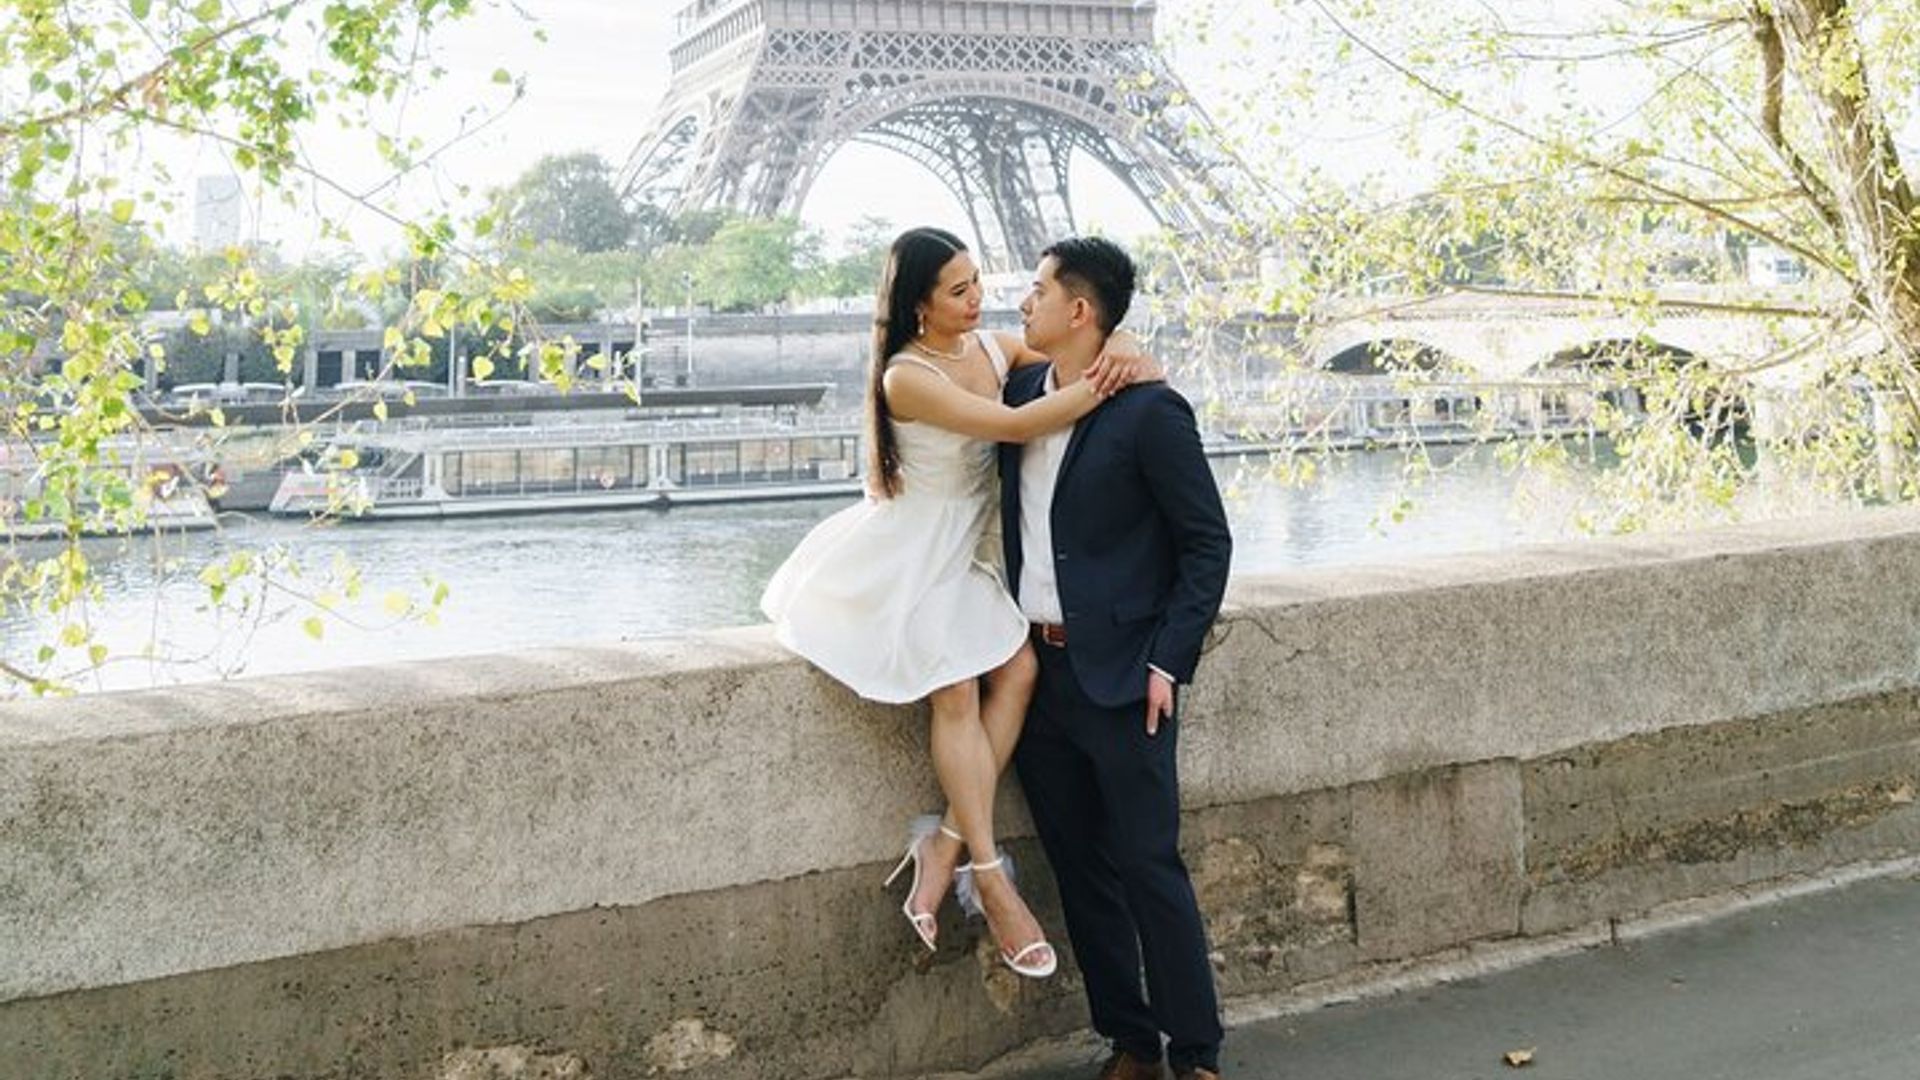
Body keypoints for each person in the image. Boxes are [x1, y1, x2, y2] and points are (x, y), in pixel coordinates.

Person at [760, 226, 1157, 979]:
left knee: (1019, 674)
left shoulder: (990, 350)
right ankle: (990, 876)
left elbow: (1079, 339)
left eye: (979, 282)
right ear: (918, 306)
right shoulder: (905, 378)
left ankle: (941, 843)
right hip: (916, 553)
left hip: (972, 550)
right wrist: (1111, 380)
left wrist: (1124, 338)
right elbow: (1012, 425)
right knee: (956, 688)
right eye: (959, 290)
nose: (982, 299)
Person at [1000, 236, 1233, 1080]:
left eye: (1036, 290)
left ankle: (1196, 1052)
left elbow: (1207, 546)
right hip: (1035, 676)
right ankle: (1129, 1040)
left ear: (1080, 310)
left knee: (1147, 865)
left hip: (1128, 678)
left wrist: (1168, 663)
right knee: (1079, 870)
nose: (1023, 303)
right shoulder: (1020, 389)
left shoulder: (1148, 411)